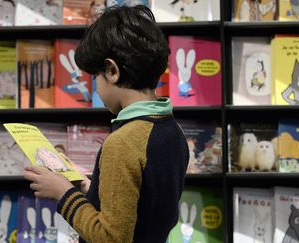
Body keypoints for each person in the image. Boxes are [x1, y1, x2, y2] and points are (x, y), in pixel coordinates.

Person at [23, 5, 189, 243]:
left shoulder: (122, 143)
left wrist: (63, 193)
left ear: (111, 71)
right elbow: (145, 204)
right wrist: (92, 189)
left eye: (95, 77)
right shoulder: (172, 130)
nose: (96, 88)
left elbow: (110, 238)